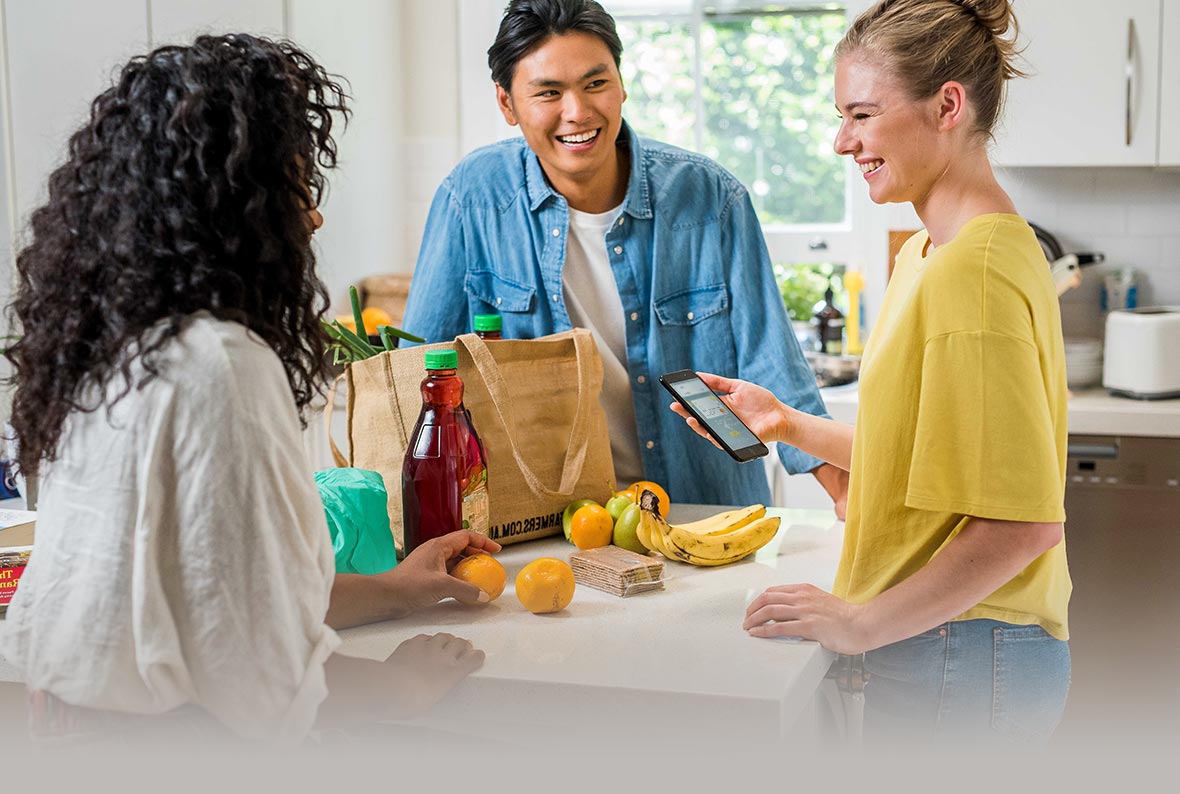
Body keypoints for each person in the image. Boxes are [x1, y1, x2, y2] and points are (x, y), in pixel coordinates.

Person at [1, 34, 498, 747]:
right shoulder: (220, 364)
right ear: (238, 204)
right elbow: (255, 680)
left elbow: (221, 597)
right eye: (296, 185)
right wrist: (398, 686)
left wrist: (397, 589)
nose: (313, 215)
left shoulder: (113, 348)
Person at [675, 0, 1071, 746]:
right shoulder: (934, 255)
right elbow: (937, 458)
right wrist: (788, 424)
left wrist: (859, 622)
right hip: (951, 643)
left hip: (969, 648)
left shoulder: (973, 273)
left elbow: (1022, 524)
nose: (840, 141)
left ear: (947, 105)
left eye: (861, 115)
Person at [402, 0, 849, 514]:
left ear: (621, 83)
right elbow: (420, 369)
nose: (578, 112)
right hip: (547, 520)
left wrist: (841, 488)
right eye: (549, 92)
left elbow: (774, 365)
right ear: (507, 104)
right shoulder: (472, 199)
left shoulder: (708, 198)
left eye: (596, 84)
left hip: (702, 509)